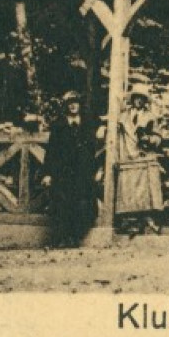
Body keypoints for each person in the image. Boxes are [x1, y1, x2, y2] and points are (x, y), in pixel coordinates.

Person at [44, 91, 96, 247]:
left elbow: (92, 149)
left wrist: (96, 170)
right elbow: (51, 150)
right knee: (61, 203)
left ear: (80, 105)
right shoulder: (59, 125)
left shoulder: (87, 124)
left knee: (80, 202)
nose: (73, 106)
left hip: (82, 171)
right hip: (63, 171)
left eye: (76, 102)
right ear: (66, 106)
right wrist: (47, 173)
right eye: (70, 103)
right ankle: (62, 238)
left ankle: (75, 237)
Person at [114, 90, 165, 234]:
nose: (139, 101)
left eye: (142, 98)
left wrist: (149, 139)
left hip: (144, 156)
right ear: (133, 99)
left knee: (144, 190)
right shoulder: (122, 117)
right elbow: (115, 136)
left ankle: (148, 221)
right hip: (127, 156)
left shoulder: (150, 117)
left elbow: (158, 137)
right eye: (137, 98)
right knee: (128, 189)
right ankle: (130, 222)